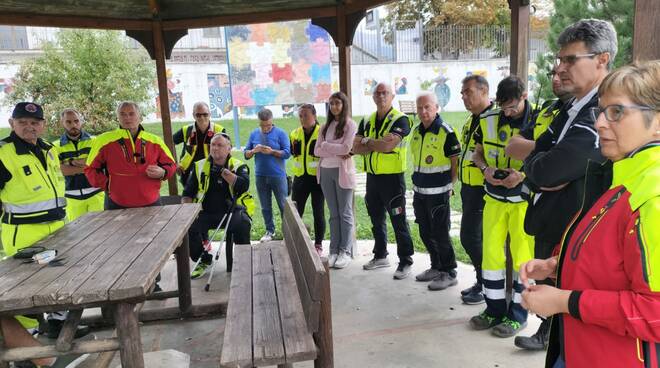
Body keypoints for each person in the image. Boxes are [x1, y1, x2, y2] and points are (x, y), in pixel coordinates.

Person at [520, 60, 660, 368]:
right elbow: (611, 259)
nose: (599, 124)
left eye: (618, 112)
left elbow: (655, 313)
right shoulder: (621, 178)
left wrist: (563, 301)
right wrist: (555, 266)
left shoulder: (652, 197)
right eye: (601, 111)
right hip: (581, 349)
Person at [515, 19, 618, 351]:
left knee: (576, 330)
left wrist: (539, 164)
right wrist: (540, 164)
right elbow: (541, 160)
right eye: (560, 59)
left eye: (571, 59)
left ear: (602, 59)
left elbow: (548, 169)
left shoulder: (599, 112)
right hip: (559, 231)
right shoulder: (570, 108)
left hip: (581, 233)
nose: (560, 67)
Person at [0, 102, 87, 361]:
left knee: (60, 280)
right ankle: (27, 350)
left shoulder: (48, 149)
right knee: (28, 290)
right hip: (26, 235)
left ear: (43, 125)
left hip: (57, 229)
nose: (30, 126)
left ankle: (58, 325)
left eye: (35, 122)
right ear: (11, 123)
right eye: (23, 121)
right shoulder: (3, 154)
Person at [469, 76, 535, 338]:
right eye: (503, 107)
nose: (507, 113)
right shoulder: (487, 120)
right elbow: (477, 152)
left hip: (522, 202)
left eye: (512, 108)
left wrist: (521, 176)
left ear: (524, 97)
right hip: (494, 198)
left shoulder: (537, 120)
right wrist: (485, 169)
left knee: (522, 259)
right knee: (492, 256)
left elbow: (547, 158)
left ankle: (519, 315)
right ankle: (494, 309)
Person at [353, 82, 415, 280]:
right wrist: (374, 144)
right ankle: (380, 255)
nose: (381, 96)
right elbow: (355, 148)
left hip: (393, 180)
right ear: (373, 97)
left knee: (398, 220)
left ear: (392, 95)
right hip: (373, 178)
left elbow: (388, 146)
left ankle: (405, 260)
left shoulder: (401, 119)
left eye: (385, 93)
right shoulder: (367, 120)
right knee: (376, 218)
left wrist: (367, 142)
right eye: (377, 93)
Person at [183, 133, 253, 277]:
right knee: (187, 227)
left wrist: (223, 173)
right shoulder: (199, 165)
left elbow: (243, 185)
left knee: (243, 223)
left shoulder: (238, 165)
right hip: (205, 212)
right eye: (213, 145)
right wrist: (186, 212)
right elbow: (187, 193)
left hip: (231, 211)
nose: (215, 148)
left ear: (229, 149)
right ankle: (203, 259)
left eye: (220, 145)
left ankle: (244, 260)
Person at [410, 92, 461, 290]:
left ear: (436, 107)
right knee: (425, 232)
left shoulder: (445, 131)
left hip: (439, 193)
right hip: (420, 192)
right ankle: (436, 266)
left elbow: (455, 162)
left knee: (440, 233)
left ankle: (449, 272)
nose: (423, 112)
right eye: (420, 107)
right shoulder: (416, 131)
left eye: (427, 107)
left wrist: (450, 186)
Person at [85, 101, 176, 209]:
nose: (127, 117)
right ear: (118, 117)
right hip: (116, 203)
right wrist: (108, 185)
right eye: (122, 114)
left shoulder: (155, 141)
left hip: (151, 201)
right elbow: (90, 169)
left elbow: (171, 164)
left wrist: (163, 172)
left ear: (139, 117)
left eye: (131, 114)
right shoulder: (103, 140)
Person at [457, 75, 494, 304]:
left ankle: (487, 285)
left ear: (483, 91)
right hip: (468, 187)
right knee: (472, 237)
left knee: (472, 237)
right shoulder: (472, 120)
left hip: (484, 190)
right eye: (462, 93)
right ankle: (482, 281)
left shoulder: (493, 120)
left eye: (468, 92)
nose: (464, 97)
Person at [315, 92, 357, 269]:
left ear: (343, 104)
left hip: (343, 172)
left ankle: (345, 251)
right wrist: (335, 148)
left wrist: (326, 145)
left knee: (345, 212)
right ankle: (333, 250)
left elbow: (347, 147)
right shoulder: (324, 126)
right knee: (333, 214)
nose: (334, 107)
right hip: (325, 171)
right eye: (331, 104)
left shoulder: (350, 124)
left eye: (337, 103)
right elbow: (317, 151)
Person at [244, 108, 290, 242]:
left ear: (272, 121)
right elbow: (246, 154)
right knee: (265, 206)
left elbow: (287, 153)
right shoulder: (254, 134)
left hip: (278, 176)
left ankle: (287, 232)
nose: (265, 128)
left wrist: (272, 151)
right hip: (260, 176)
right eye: (262, 125)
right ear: (259, 122)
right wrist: (254, 150)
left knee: (283, 205)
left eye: (268, 125)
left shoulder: (281, 133)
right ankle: (270, 231)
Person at [53, 108, 104, 221]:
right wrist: (87, 164)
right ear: (62, 123)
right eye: (69, 122)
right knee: (78, 235)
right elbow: (60, 170)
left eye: (76, 121)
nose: (73, 125)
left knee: (102, 232)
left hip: (96, 193)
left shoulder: (94, 141)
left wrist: (69, 162)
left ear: (81, 121)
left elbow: (99, 163)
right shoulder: (56, 146)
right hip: (71, 197)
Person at [290, 104, 325, 254]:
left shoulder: (322, 133)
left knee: (318, 212)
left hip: (318, 179)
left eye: (306, 115)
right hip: (300, 178)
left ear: (314, 116)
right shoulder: (294, 133)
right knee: (296, 212)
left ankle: (318, 244)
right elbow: (293, 153)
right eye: (301, 116)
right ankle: (295, 241)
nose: (303, 118)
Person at [173, 101, 226, 186]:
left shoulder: (219, 130)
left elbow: (226, 151)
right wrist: (175, 163)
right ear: (193, 115)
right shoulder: (186, 130)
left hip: (211, 171)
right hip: (188, 172)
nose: (202, 117)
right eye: (198, 115)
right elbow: (170, 143)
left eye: (205, 114)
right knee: (189, 198)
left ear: (210, 114)